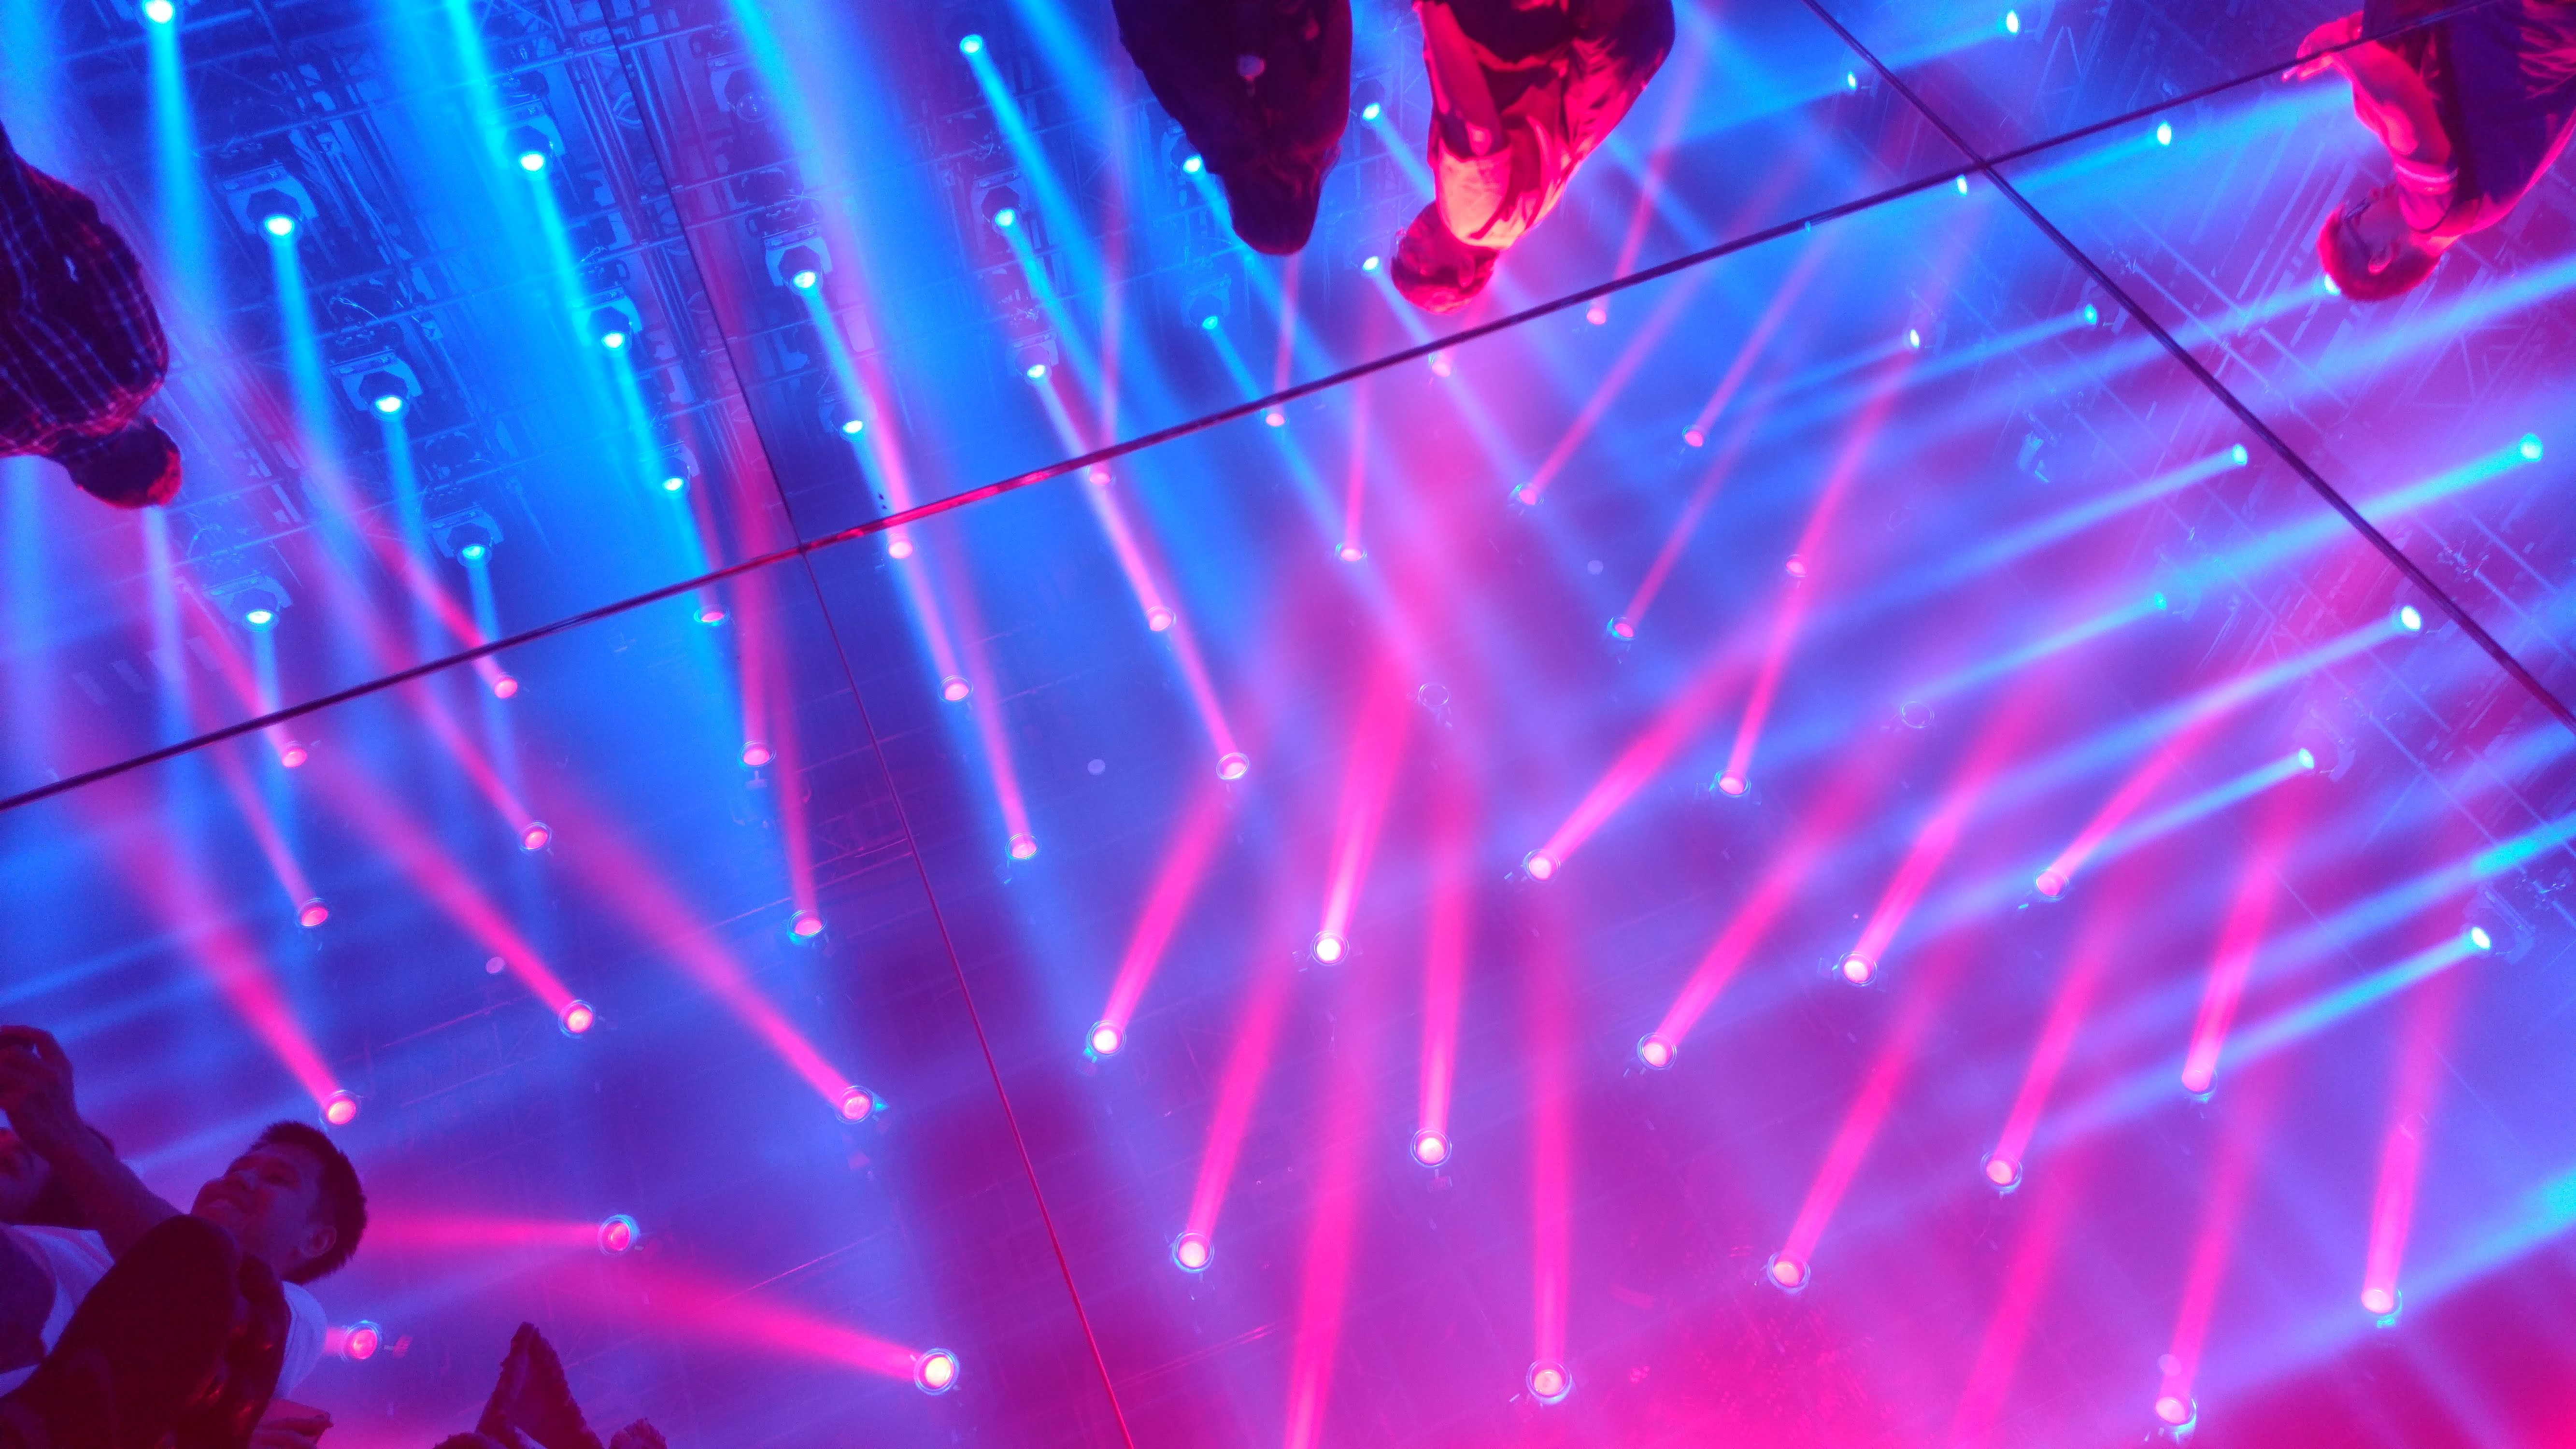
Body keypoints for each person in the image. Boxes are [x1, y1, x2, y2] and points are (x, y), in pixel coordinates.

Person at [0, 1027, 365, 1446]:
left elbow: (206, 1284)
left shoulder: (296, 1315)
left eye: (277, 1179)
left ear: (316, 1241)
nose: (242, 1178)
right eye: (236, 1169)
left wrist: (66, 1132)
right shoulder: (101, 1235)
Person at [1391, 0, 1674, 313]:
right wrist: (1431, 8)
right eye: (1419, 257)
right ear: (1465, 270)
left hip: (1618, 34)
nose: (1413, 235)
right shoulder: (1466, 220)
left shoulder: (1510, 226)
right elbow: (1473, 124)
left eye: (1404, 244)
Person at [2289, 0, 2576, 301]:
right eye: (2359, 215)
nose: (2371, 195)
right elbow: (2397, 91)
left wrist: (2350, 43)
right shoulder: (2432, 215)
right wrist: (2336, 43)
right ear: (2382, 256)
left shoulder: (2466, 210)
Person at [0, 118, 181, 507]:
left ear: (152, 430)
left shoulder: (140, 375)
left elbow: (104, 258)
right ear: (83, 481)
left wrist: (18, 179)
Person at [1112, 0, 1352, 255]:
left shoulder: (1324, 128)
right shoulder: (1216, 141)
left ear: (1306, 205)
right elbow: (1155, 56)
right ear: (1244, 206)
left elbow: (1335, 21)